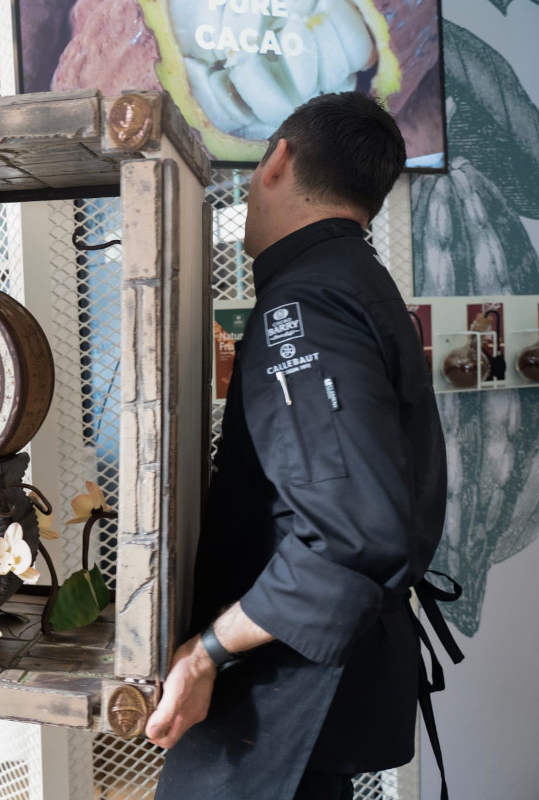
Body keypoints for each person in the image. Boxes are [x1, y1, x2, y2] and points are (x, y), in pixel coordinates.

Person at [147, 92, 458, 800]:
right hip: (314, 679)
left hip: (284, 690)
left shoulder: (306, 303)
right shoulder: (354, 282)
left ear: (278, 160)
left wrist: (206, 653)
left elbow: (351, 536)